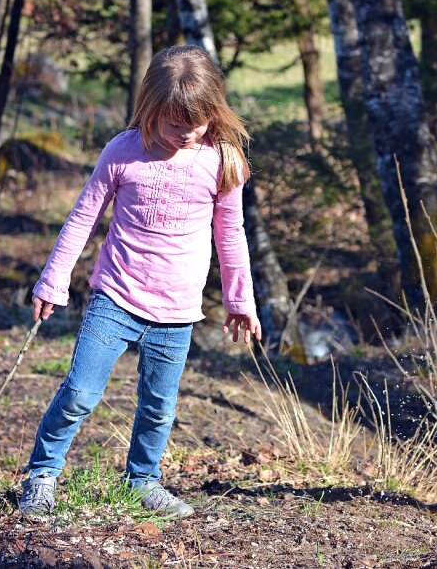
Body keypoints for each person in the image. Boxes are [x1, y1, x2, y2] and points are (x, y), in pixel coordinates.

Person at [18, 45, 261, 519]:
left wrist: (240, 300)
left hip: (179, 311)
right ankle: (41, 476)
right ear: (151, 109)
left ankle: (143, 480)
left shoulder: (223, 161)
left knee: (159, 407)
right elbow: (83, 217)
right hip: (116, 297)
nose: (186, 133)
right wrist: (52, 279)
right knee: (80, 394)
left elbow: (232, 236)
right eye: (174, 123)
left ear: (215, 113)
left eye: (198, 122)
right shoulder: (123, 151)